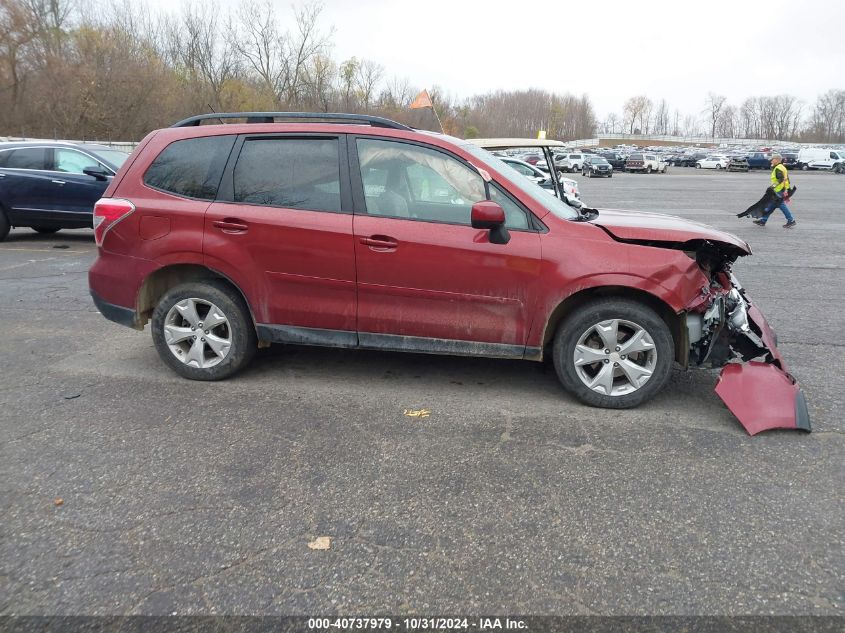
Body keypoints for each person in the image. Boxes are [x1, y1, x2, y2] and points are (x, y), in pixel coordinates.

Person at [754, 154, 796, 228]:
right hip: (780, 190)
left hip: (778, 190)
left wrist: (772, 187)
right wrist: (787, 189)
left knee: (781, 205)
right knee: (771, 205)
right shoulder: (782, 167)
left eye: (772, 159)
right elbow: (787, 180)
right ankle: (763, 220)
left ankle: (791, 220)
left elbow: (781, 179)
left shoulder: (778, 168)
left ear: (777, 160)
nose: (771, 160)